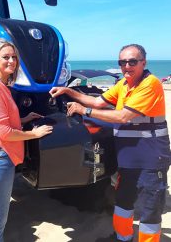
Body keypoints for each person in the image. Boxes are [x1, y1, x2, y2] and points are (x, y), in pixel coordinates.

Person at [50, 44, 170, 242]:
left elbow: (123, 116)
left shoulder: (150, 84)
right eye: (122, 62)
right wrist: (68, 92)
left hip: (151, 159)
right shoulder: (124, 84)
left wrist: (84, 111)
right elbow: (97, 102)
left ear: (143, 62)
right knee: (123, 202)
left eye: (132, 61)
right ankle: (123, 238)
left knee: (150, 209)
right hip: (127, 158)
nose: (127, 66)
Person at [0, 38, 53, 242]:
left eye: (14, 57)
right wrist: (33, 134)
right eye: (5, 57)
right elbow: (4, 132)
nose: (11, 61)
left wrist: (24, 119)